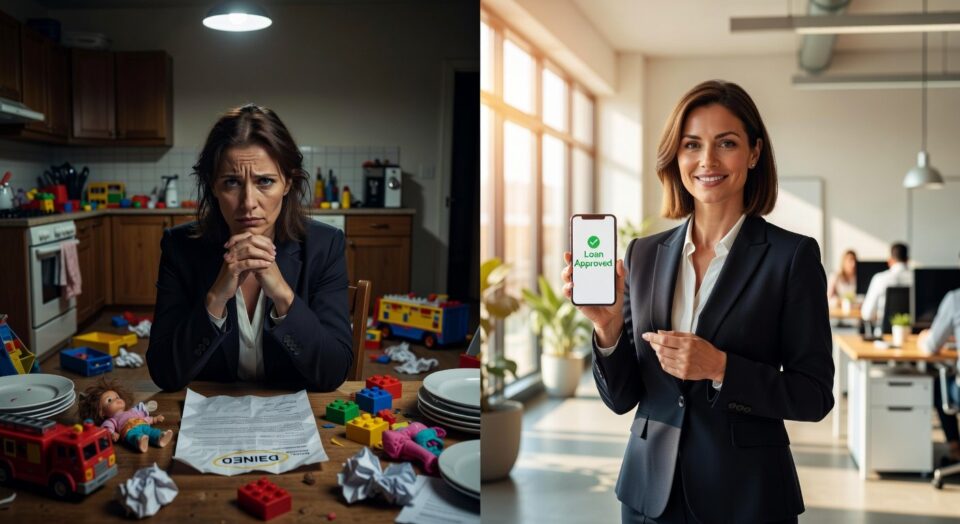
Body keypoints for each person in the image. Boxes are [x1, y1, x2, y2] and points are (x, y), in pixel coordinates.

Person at [561, 80, 833, 523]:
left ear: (754, 153)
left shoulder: (792, 257)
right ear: (677, 156)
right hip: (649, 494)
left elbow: (815, 395)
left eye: (726, 143)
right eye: (692, 145)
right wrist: (607, 328)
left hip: (748, 496)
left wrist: (721, 368)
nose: (707, 160)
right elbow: (622, 397)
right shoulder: (643, 255)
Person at [147, 104, 353, 392]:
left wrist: (283, 295)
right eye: (231, 182)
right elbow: (164, 373)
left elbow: (333, 372)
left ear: (287, 183)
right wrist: (216, 298)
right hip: (210, 415)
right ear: (213, 186)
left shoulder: (324, 246)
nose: (248, 203)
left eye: (265, 181)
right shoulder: (180, 248)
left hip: (296, 416)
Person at [918, 286, 960, 464]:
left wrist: (922, 338)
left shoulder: (955, 299)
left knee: (936, 387)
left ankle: (955, 448)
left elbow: (930, 346)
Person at [860, 242, 912, 327]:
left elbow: (867, 314)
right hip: (913, 336)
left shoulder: (880, 279)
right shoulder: (917, 279)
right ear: (907, 260)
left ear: (890, 260)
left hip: (883, 335)